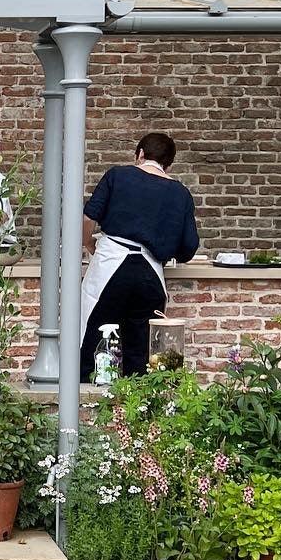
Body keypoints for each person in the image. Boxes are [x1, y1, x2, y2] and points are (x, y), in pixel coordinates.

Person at [80, 131, 199, 381]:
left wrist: (88, 243)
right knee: (143, 349)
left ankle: (86, 398)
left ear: (141, 154)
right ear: (168, 163)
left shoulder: (118, 176)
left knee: (94, 338)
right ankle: (140, 406)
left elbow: (88, 217)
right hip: (150, 273)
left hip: (111, 265)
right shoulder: (180, 193)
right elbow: (188, 248)